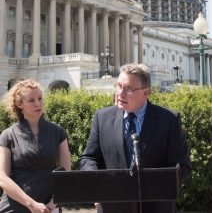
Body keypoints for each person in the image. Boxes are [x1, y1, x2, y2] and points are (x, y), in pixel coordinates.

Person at [80, 63, 191, 213]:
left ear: (145, 93)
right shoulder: (102, 118)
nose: (120, 93)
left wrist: (151, 185)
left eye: (129, 89)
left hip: (156, 207)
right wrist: (97, 183)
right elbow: (89, 158)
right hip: (112, 207)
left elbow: (181, 166)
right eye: (118, 86)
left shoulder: (168, 120)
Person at [0, 79, 71, 212]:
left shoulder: (58, 132)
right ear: (19, 104)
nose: (38, 104)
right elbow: (2, 178)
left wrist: (53, 202)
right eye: (31, 101)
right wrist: (32, 205)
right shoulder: (7, 135)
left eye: (40, 98)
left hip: (50, 208)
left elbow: (66, 171)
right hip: (14, 208)